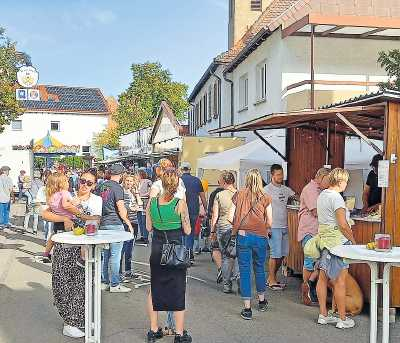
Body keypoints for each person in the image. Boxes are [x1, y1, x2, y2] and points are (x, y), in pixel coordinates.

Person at [41, 170, 102, 338]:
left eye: (89, 183)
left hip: (84, 247)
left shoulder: (96, 200)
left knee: (82, 286)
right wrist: (63, 219)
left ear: (94, 185)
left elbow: (96, 220)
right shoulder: (66, 194)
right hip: (63, 246)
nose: (85, 184)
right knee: (63, 285)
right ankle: (69, 322)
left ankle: (79, 319)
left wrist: (78, 215)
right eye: (83, 181)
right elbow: (44, 213)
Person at [305, 168, 356, 329]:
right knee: (340, 281)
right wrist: (353, 240)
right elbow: (342, 225)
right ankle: (342, 318)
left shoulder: (322, 196)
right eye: (346, 181)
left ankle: (323, 315)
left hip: (324, 240)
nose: (346, 184)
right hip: (338, 243)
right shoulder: (337, 198)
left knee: (322, 278)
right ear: (340, 182)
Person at [146, 167, 192, 343]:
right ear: (178, 183)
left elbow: (149, 228)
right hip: (174, 251)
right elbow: (187, 230)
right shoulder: (180, 203)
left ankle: (153, 330)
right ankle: (179, 334)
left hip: (157, 249)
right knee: (177, 289)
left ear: (161, 183)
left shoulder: (152, 202)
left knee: (154, 289)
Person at [229, 169, 272, 320]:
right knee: (259, 268)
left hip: (243, 236)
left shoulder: (239, 194)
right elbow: (270, 222)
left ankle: (247, 309)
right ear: (260, 180)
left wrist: (238, 226)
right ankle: (261, 301)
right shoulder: (265, 197)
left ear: (247, 179)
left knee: (245, 270)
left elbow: (230, 216)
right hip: (260, 236)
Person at [298, 168, 330, 305]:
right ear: (320, 177)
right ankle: (307, 290)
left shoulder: (322, 191)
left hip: (319, 232)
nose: (329, 183)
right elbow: (316, 212)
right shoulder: (310, 189)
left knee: (321, 262)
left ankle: (310, 286)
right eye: (328, 180)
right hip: (310, 231)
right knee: (310, 262)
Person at [100, 163, 134, 293]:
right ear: (120, 175)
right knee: (115, 255)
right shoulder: (117, 188)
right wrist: (128, 223)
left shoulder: (101, 186)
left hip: (102, 224)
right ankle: (115, 284)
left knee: (105, 254)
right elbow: (121, 209)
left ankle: (104, 281)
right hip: (115, 224)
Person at [264, 164, 296, 290]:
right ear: (272, 175)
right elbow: (261, 208)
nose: (280, 177)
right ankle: (272, 280)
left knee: (283, 253)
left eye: (281, 174)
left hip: (284, 226)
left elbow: (296, 196)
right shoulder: (266, 190)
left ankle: (271, 277)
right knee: (274, 254)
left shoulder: (285, 189)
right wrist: (266, 226)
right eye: (278, 174)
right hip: (273, 226)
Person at [42, 173, 85, 263]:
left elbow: (52, 208)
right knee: (78, 239)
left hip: (57, 222)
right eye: (66, 181)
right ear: (60, 183)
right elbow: (65, 205)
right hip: (70, 220)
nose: (68, 183)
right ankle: (82, 258)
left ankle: (46, 253)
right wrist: (76, 205)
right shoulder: (64, 193)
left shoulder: (51, 196)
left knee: (54, 237)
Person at [210, 171, 238, 293]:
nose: (219, 183)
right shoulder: (240, 194)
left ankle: (227, 285)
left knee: (226, 257)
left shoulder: (219, 195)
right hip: (238, 227)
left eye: (220, 181)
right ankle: (240, 281)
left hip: (223, 227)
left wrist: (212, 231)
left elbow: (215, 215)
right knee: (239, 256)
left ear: (225, 182)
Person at [180, 162, 207, 262]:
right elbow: (203, 197)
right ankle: (189, 251)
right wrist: (206, 209)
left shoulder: (178, 180)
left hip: (181, 210)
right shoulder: (196, 180)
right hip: (193, 209)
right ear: (190, 169)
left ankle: (184, 253)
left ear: (181, 169)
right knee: (190, 231)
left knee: (182, 231)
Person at [120, 174, 142, 281]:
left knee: (130, 249)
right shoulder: (123, 192)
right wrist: (135, 208)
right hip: (126, 222)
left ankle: (128, 271)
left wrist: (137, 192)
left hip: (134, 222)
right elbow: (125, 208)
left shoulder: (132, 192)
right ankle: (119, 272)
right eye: (127, 181)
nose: (129, 183)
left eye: (131, 181)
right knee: (123, 248)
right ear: (124, 181)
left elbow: (141, 204)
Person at [207, 179, 224, 283]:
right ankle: (234, 274)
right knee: (230, 251)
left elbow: (212, 212)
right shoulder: (235, 193)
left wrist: (212, 230)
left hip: (217, 223)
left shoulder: (214, 193)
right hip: (231, 225)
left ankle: (221, 268)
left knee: (215, 248)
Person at [23, 170, 45, 234]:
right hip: (37, 201)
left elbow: (24, 191)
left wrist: (30, 196)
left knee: (27, 214)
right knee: (36, 216)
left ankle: (25, 228)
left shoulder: (30, 182)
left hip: (30, 201)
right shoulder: (42, 183)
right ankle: (35, 230)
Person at [137, 168, 152, 245]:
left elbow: (150, 192)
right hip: (138, 203)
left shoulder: (148, 181)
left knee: (144, 220)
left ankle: (145, 237)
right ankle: (142, 236)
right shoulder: (137, 182)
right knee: (139, 220)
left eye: (137, 174)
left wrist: (141, 195)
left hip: (145, 202)